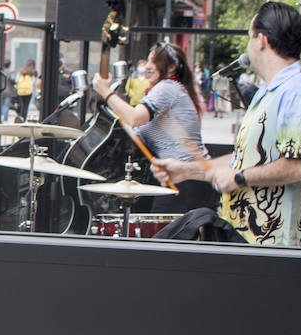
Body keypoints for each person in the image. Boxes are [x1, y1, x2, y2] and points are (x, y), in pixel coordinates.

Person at [152, 2, 301, 246]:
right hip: (251, 241)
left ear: (261, 40)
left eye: (249, 37)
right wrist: (186, 170)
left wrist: (240, 178)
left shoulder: (297, 94)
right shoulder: (268, 93)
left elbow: (300, 166)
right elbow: (243, 161)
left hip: (280, 247)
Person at [93, 41, 218, 214]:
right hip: (190, 180)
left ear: (172, 67)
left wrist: (106, 92)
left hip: (186, 180)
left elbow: (135, 118)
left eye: (154, 62)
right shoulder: (175, 89)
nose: (148, 67)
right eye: (148, 61)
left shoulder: (167, 88)